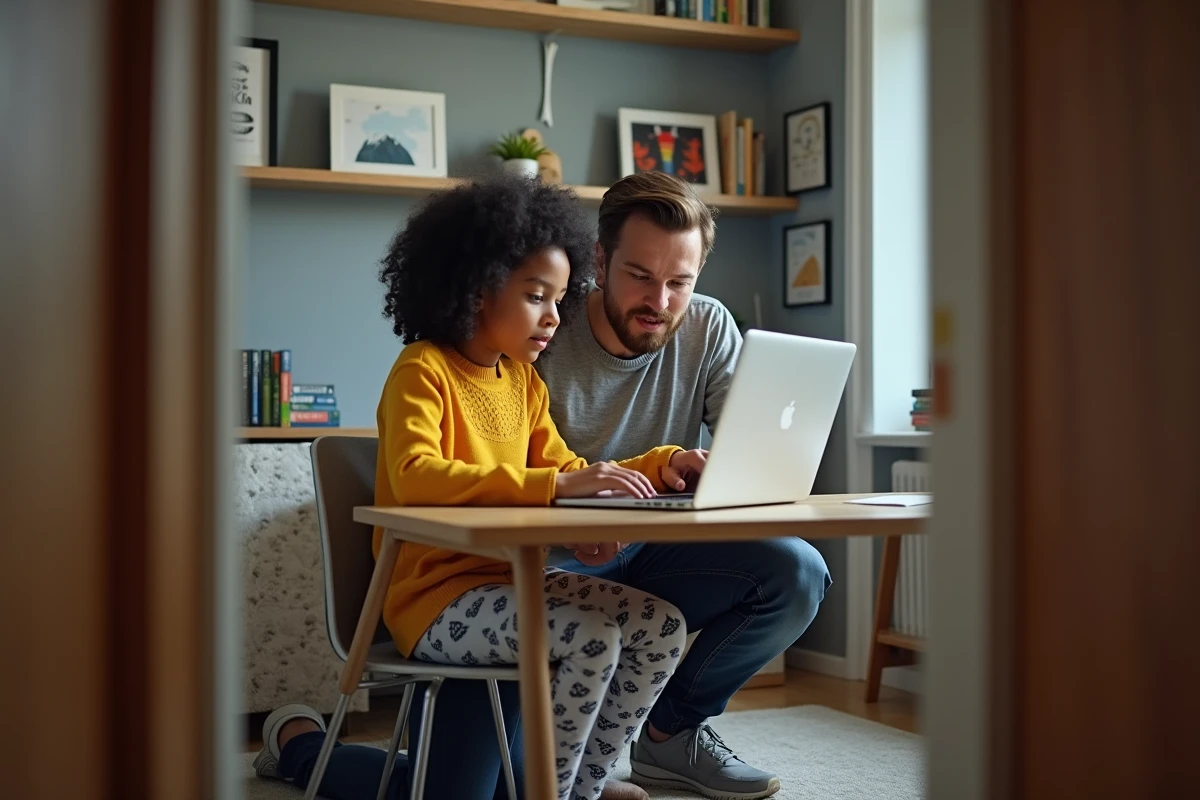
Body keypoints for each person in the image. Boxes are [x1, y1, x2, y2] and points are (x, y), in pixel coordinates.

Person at [257, 171, 831, 800]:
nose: (554, 318)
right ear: (478, 292)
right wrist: (557, 491)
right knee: (449, 790)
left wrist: (659, 463)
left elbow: (570, 471)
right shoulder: (422, 371)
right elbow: (429, 476)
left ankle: (577, 782)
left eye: (558, 299)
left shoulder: (523, 382)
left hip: (521, 586)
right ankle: (302, 748)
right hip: (442, 598)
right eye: (539, 298)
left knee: (659, 627)